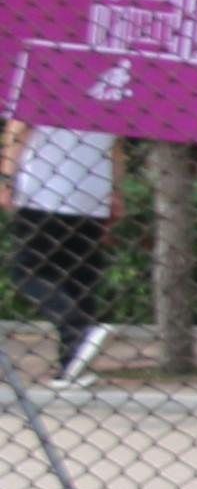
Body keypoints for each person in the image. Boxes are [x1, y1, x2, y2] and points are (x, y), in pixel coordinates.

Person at [3, 115, 117, 384]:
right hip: (92, 192)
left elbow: (19, 126)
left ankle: (78, 329)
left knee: (29, 272)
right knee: (80, 278)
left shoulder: (40, 88)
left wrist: (6, 177)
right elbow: (117, 143)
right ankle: (72, 364)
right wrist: (114, 190)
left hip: (44, 192)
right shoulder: (111, 95)